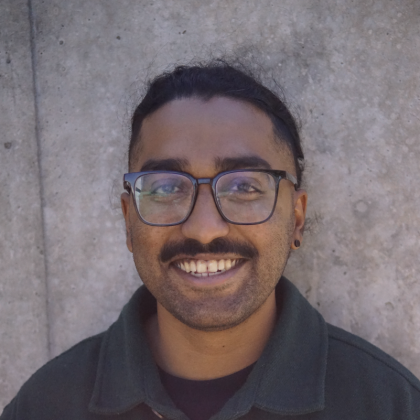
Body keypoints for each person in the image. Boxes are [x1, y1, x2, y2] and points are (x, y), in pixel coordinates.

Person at [2, 60, 420, 420]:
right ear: (129, 221)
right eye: (165, 188)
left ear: (296, 218)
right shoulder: (46, 405)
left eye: (244, 186)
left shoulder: (388, 404)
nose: (205, 228)